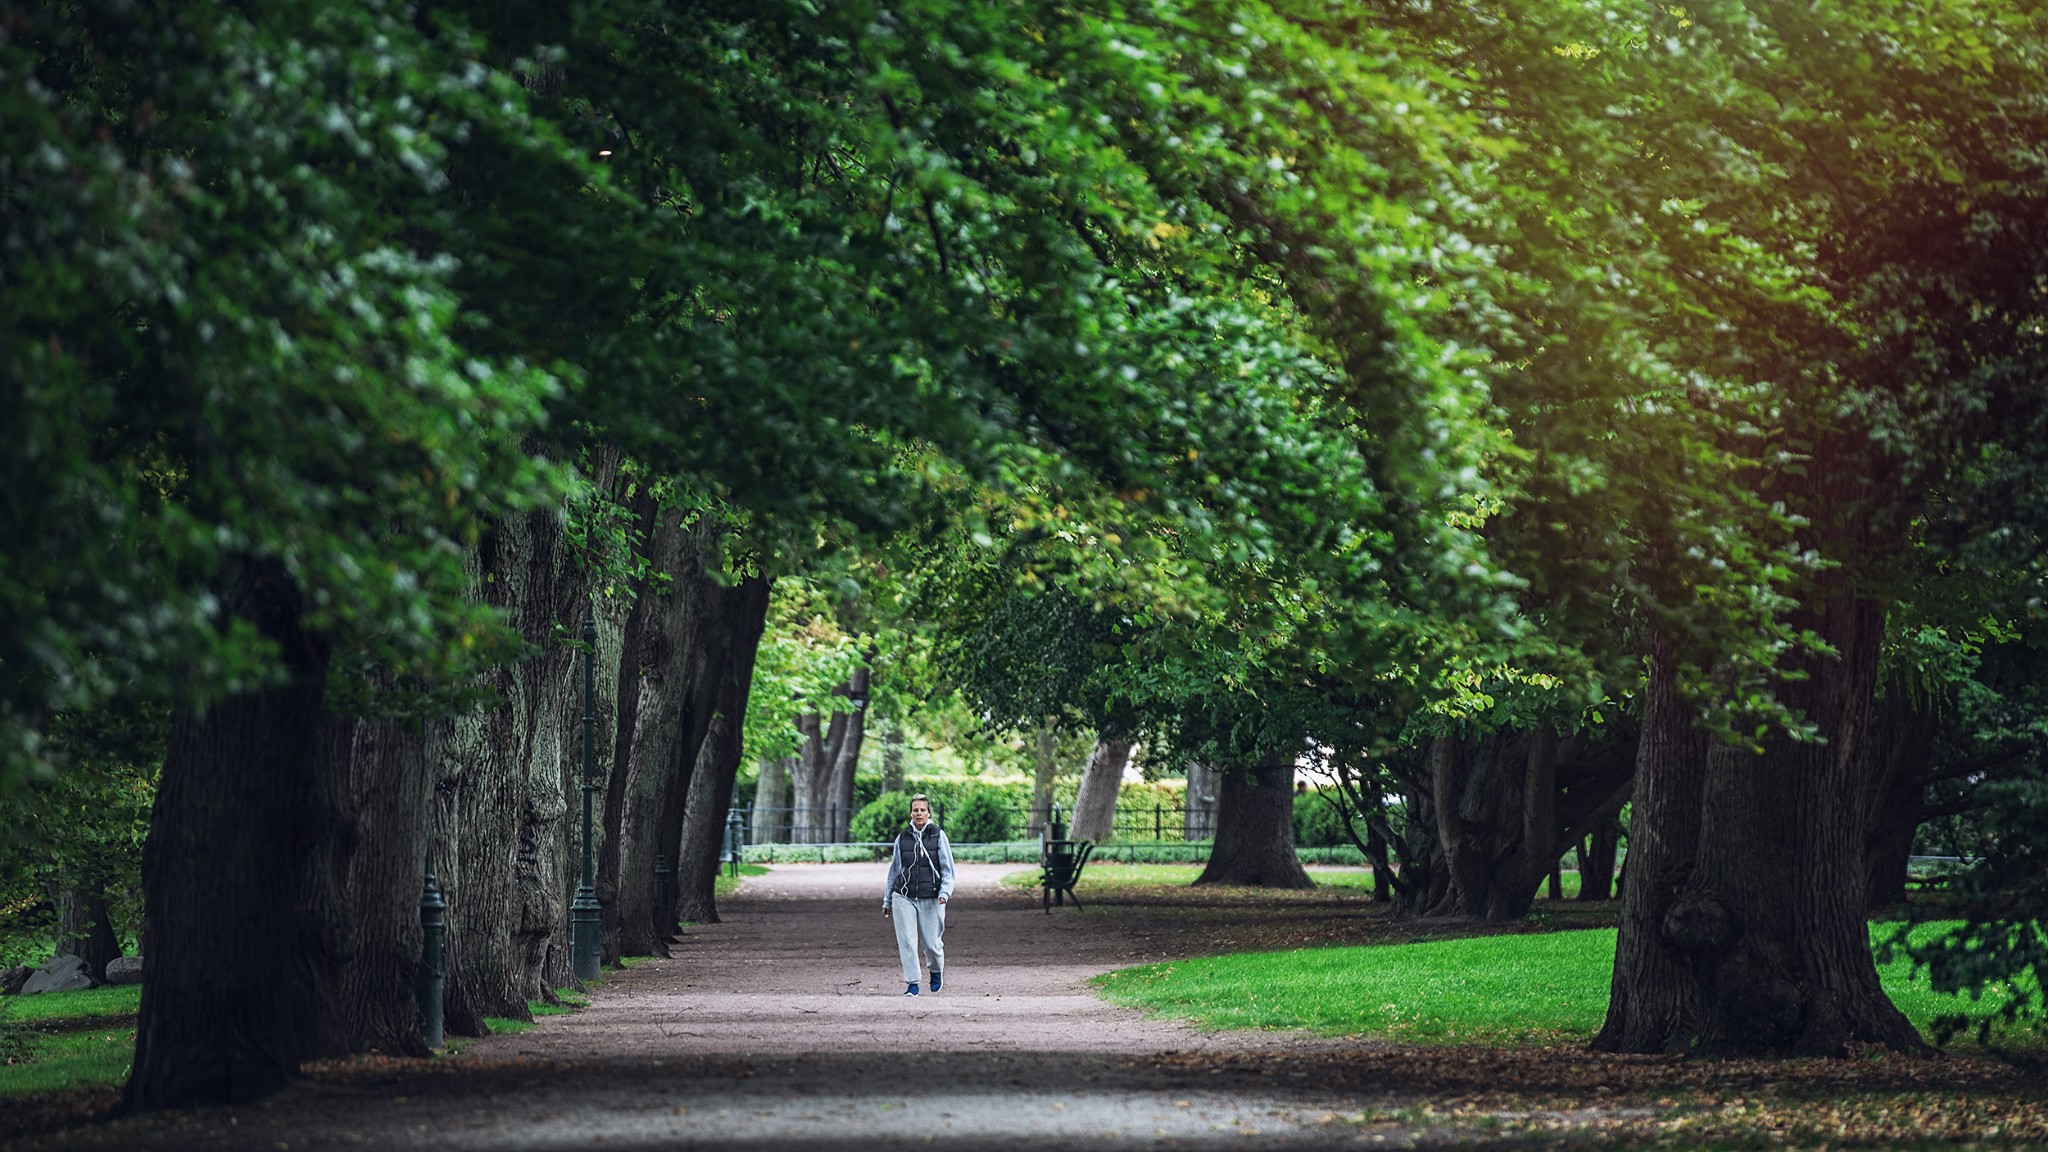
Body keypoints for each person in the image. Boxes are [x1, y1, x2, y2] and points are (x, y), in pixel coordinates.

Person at [882, 793, 954, 996]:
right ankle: (912, 983)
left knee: (932, 943)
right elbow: (894, 870)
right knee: (907, 941)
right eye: (915, 810)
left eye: (922, 809)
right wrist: (887, 899)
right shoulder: (902, 837)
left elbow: (948, 870)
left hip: (931, 896)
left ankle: (935, 970)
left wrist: (945, 892)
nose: (919, 813)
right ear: (911, 813)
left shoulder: (938, 835)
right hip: (903, 895)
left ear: (928, 812)